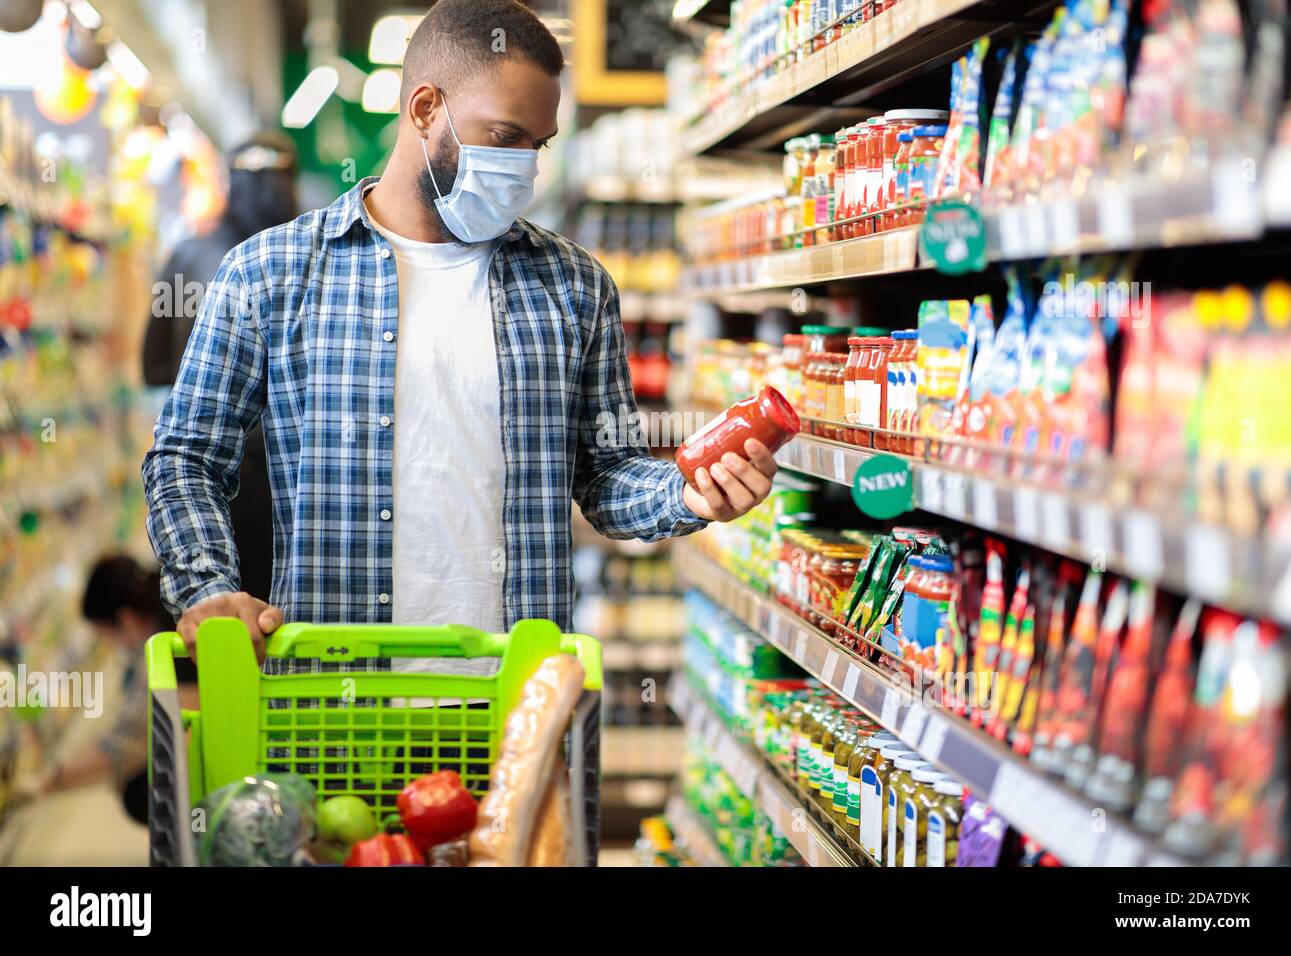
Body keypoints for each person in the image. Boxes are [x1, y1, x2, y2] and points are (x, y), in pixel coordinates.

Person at [143, 0, 777, 661]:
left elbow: (606, 478)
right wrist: (206, 586)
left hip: (514, 706)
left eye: (538, 145)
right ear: (424, 109)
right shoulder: (268, 273)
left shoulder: (574, 287)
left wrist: (686, 491)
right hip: (336, 709)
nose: (524, 168)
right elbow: (186, 458)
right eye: (504, 136)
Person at [141, 133, 299, 603]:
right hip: (262, 472)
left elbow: (152, 364)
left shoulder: (190, 254)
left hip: (220, 468)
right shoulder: (318, 256)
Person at [24, 556, 197, 825]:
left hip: (213, 761)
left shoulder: (163, 647)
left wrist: (51, 781)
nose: (110, 644)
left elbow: (126, 742)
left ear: (125, 620)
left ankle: (194, 831)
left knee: (139, 792)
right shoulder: (171, 611)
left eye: (106, 634)